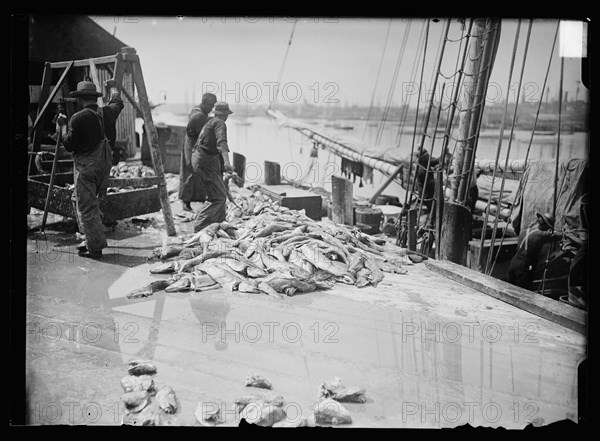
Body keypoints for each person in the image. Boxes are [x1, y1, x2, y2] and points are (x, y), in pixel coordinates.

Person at [57, 80, 124, 259]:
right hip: (105, 166)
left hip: (87, 168)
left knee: (86, 208)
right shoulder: (108, 112)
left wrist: (62, 126)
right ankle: (90, 238)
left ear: (80, 99)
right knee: (82, 201)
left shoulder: (78, 118)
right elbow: (118, 101)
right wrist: (113, 87)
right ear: (94, 98)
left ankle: (95, 249)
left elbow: (69, 145)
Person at [191, 101, 234, 233]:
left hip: (200, 159)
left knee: (215, 194)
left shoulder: (210, 122)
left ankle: (219, 224)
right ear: (225, 115)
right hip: (206, 162)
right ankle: (199, 227)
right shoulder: (220, 123)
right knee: (219, 197)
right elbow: (222, 143)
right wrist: (227, 163)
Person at [179, 93, 217, 212]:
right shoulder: (199, 116)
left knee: (195, 173)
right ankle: (186, 203)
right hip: (192, 146)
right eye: (210, 105)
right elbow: (204, 135)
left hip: (191, 143)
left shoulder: (198, 110)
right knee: (191, 172)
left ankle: (196, 199)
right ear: (204, 103)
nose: (211, 109)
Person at [507, 212, 559, 290]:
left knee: (510, 289)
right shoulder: (541, 235)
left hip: (514, 262)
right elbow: (559, 235)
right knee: (523, 291)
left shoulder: (525, 231)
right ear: (546, 226)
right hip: (525, 266)